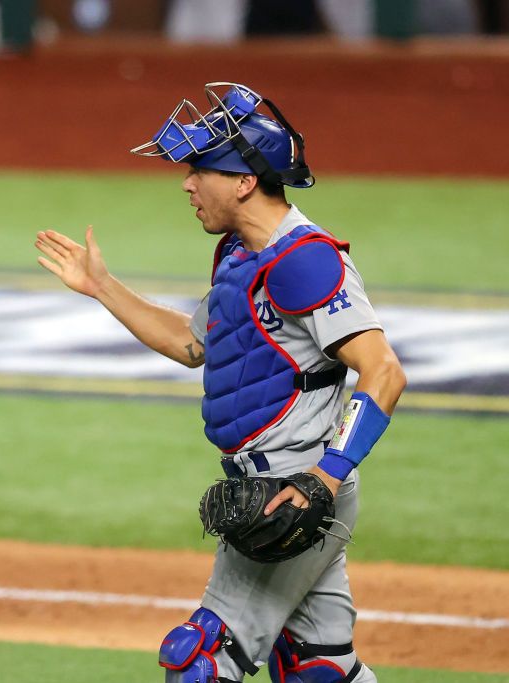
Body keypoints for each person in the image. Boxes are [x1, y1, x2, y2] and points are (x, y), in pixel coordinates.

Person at [34, 82, 405, 682]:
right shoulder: (241, 254)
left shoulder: (305, 259)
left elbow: (384, 371)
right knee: (318, 667)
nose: (186, 183)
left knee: (199, 660)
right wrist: (102, 286)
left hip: (299, 488)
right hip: (276, 489)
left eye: (199, 169)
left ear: (244, 181)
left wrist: (324, 478)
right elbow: (192, 343)